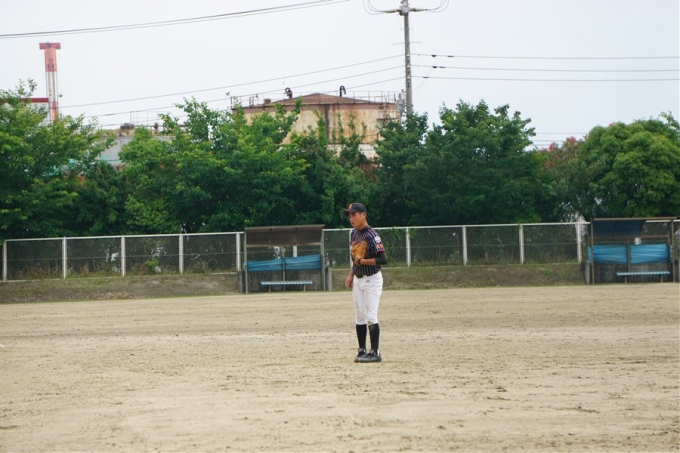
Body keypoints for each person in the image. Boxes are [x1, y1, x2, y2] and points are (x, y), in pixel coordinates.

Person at [343, 202, 387, 363]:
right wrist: (351, 274)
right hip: (358, 279)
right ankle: (362, 350)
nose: (351, 218)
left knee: (371, 315)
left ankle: (375, 352)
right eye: (349, 215)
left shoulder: (372, 235)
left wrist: (362, 262)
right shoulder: (354, 234)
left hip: (372, 279)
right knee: (359, 315)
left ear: (363, 215)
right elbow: (355, 259)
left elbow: (383, 259)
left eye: (354, 215)